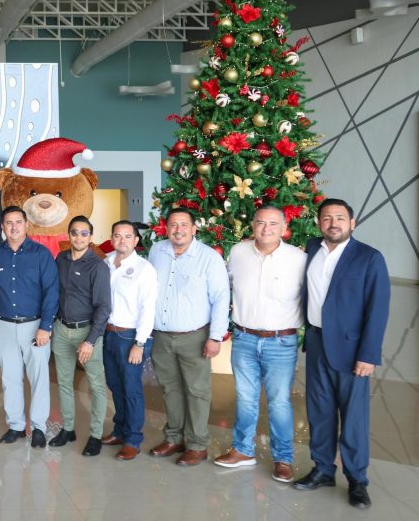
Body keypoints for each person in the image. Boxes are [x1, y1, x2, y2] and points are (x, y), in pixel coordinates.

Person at [293, 199, 390, 509]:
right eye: (326, 218)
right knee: (319, 412)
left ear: (352, 222)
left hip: (351, 350)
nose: (333, 223)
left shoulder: (369, 257)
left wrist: (368, 355)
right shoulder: (311, 249)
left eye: (339, 217)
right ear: (319, 223)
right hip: (317, 342)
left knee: (353, 418)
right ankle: (323, 469)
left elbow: (378, 309)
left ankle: (357, 479)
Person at [215, 205, 306, 483]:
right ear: (253, 225)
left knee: (279, 402)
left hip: (281, 341)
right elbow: (225, 287)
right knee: (245, 398)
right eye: (261, 223)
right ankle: (243, 450)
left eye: (273, 224)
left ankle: (283, 458)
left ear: (284, 227)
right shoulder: (238, 252)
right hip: (244, 338)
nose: (266, 229)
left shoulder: (299, 259)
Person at [146, 208, 230, 466]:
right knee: (170, 389)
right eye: (173, 224)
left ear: (194, 229)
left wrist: (215, 337)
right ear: (166, 228)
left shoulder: (208, 257)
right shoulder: (157, 251)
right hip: (162, 336)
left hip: (195, 336)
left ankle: (197, 444)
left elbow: (221, 298)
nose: (178, 230)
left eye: (184, 224)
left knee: (197, 391)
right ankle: (174, 437)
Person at [0, 205, 59, 448]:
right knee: (10, 377)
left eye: (18, 222)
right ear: (2, 227)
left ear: (27, 225)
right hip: (3, 325)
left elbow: (51, 292)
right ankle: (16, 425)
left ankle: (38, 427)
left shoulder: (41, 254)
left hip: (35, 326)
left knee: (39, 378)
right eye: (9, 223)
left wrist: (46, 327)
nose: (14, 227)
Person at [48, 215, 111, 456]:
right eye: (75, 232)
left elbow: (104, 307)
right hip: (61, 329)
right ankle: (68, 429)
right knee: (64, 382)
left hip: (87, 332)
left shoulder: (98, 266)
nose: (79, 237)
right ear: (69, 235)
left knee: (96, 385)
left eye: (84, 233)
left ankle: (95, 435)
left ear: (90, 237)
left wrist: (90, 341)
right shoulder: (61, 259)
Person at [102, 220, 157, 461]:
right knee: (115, 385)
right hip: (108, 333)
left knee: (131, 388)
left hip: (130, 336)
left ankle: (133, 439)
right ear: (112, 238)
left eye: (127, 236)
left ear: (136, 240)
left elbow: (148, 308)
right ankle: (120, 430)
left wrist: (140, 343)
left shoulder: (144, 269)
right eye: (117, 235)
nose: (122, 240)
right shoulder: (106, 263)